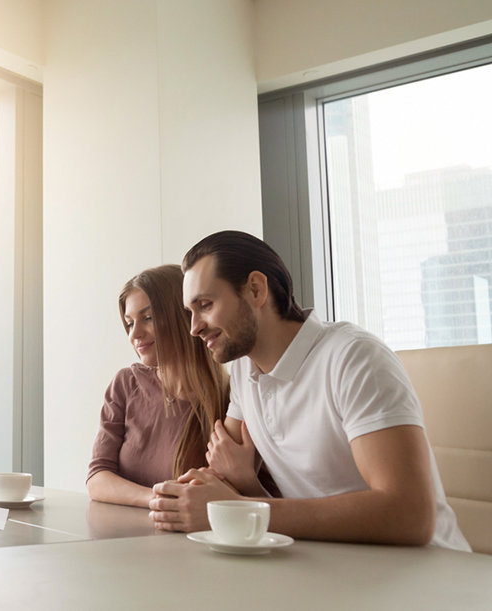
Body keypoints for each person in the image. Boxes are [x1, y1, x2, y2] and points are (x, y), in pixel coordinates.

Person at [149, 230, 470, 551]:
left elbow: (409, 516)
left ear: (256, 290)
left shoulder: (354, 358)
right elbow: (220, 480)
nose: (194, 327)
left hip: (424, 573)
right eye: (190, 312)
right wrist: (204, 495)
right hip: (330, 567)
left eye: (205, 305)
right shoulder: (245, 372)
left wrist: (239, 508)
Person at [86, 265, 229, 508]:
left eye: (148, 318)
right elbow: (97, 477)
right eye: (130, 323)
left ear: (183, 316)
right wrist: (158, 499)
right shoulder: (126, 384)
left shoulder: (231, 399)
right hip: (123, 538)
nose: (135, 334)